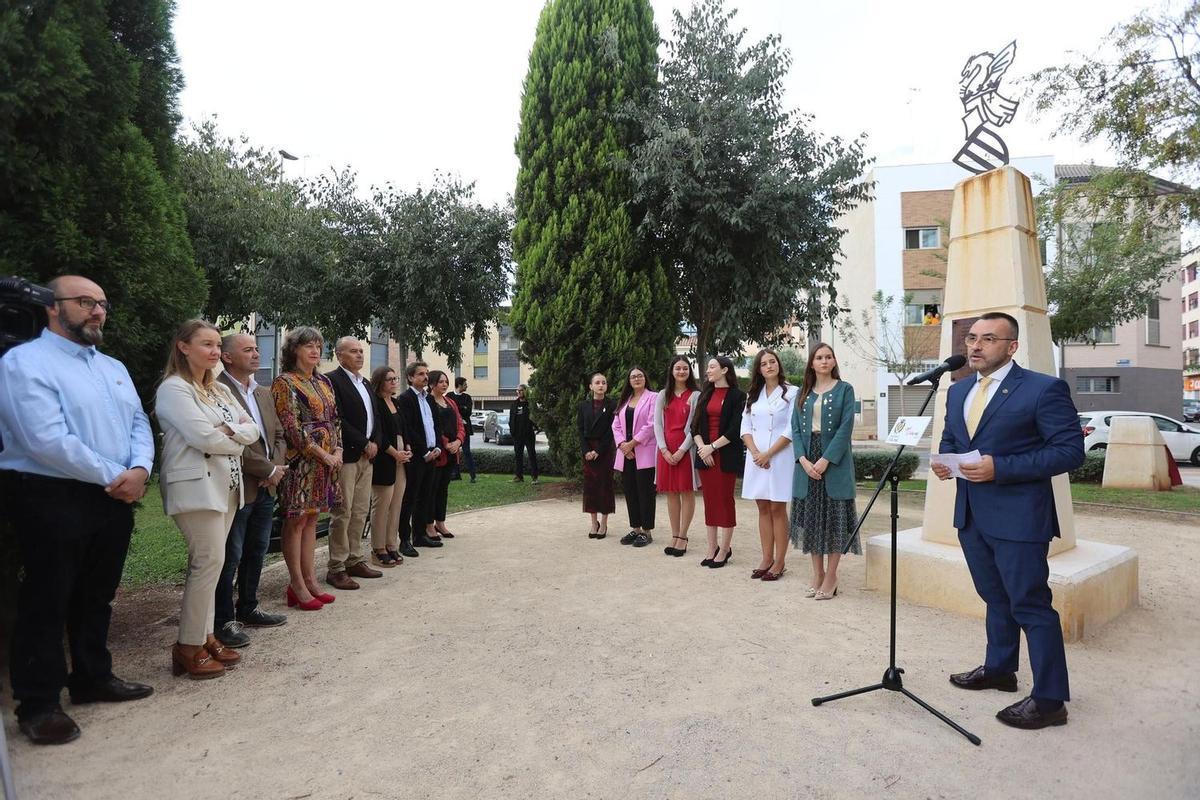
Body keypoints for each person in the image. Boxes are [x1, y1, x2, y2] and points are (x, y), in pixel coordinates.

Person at [0, 275, 154, 745]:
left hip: (113, 495)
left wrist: (142, 468)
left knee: (96, 594)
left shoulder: (113, 367)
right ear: (53, 307)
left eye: (102, 304)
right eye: (85, 302)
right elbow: (44, 439)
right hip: (51, 495)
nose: (98, 311)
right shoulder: (24, 363)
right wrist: (117, 474)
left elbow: (137, 421)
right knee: (47, 598)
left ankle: (91, 677)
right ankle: (39, 703)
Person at [931, 312, 1084, 730]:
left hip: (1020, 518)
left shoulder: (1042, 389)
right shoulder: (958, 390)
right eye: (972, 339)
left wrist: (1002, 467)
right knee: (995, 597)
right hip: (972, 515)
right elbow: (952, 440)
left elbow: (1070, 452)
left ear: (1011, 346)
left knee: (1030, 605)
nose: (975, 346)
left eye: (988, 339)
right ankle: (1000, 669)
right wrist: (947, 463)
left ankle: (1051, 700)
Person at [155, 320, 261, 679]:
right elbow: (201, 437)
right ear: (183, 347)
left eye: (218, 345)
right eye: (207, 345)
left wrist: (229, 431)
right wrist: (235, 437)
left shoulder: (217, 389)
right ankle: (188, 645)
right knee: (207, 562)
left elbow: (253, 427)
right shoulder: (174, 389)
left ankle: (205, 636)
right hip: (195, 486)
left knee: (213, 565)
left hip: (227, 484)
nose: (215, 352)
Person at [213, 333, 289, 650]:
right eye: (248, 350)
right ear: (227, 357)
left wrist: (276, 468)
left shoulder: (263, 392)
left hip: (266, 486)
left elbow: (280, 435)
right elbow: (230, 441)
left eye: (257, 348)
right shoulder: (218, 391)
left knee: (257, 549)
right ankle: (223, 620)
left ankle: (249, 605)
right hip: (238, 486)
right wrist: (268, 470)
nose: (257, 354)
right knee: (231, 554)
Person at [272, 327, 343, 611]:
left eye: (318, 346)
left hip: (327, 460)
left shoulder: (323, 381)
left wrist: (337, 449)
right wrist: (323, 454)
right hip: (300, 461)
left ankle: (311, 581)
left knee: (312, 519)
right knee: (297, 519)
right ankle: (296, 584)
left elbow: (335, 419)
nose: (315, 351)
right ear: (294, 350)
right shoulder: (285, 382)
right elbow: (291, 427)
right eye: (308, 346)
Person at [790, 343, 859, 600]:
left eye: (829, 357)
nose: (824, 361)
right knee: (812, 520)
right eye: (819, 357)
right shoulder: (802, 393)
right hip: (807, 460)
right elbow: (795, 430)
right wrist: (804, 460)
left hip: (835, 461)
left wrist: (826, 459)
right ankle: (817, 573)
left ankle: (831, 576)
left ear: (834, 361)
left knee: (834, 520)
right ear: (811, 363)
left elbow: (845, 427)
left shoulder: (845, 390)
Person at [323, 337, 385, 590]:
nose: (360, 355)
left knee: (360, 511)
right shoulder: (332, 381)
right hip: (348, 455)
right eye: (354, 351)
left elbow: (376, 416)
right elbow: (337, 418)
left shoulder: (366, 382)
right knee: (343, 512)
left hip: (367, 457)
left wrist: (376, 443)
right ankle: (336, 566)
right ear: (339, 355)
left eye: (361, 351)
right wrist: (362, 443)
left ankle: (354, 559)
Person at [741, 349, 796, 582]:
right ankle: (766, 558)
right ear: (759, 369)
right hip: (756, 459)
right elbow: (745, 427)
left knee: (777, 508)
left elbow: (792, 428)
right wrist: (755, 453)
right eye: (764, 363)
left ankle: (780, 561)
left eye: (772, 361)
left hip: (779, 457)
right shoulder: (753, 394)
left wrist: (768, 454)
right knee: (762, 506)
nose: (769, 366)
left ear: (778, 365)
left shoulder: (792, 392)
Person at [691, 356, 745, 569]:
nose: (708, 370)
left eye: (712, 367)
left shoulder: (738, 396)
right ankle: (711, 547)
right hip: (705, 455)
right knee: (710, 502)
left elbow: (735, 429)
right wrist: (703, 448)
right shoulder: (705, 394)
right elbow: (694, 427)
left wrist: (712, 447)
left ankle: (724, 549)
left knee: (724, 501)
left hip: (724, 455)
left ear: (724, 370)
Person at [654, 356, 699, 557]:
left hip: (685, 450)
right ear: (671, 371)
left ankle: (683, 535)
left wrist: (682, 450)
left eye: (685, 368)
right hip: (665, 449)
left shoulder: (696, 395)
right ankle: (674, 534)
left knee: (686, 491)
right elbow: (657, 424)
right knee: (671, 492)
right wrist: (664, 450)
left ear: (689, 371)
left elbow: (694, 426)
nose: (681, 371)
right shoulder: (663, 395)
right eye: (678, 368)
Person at [397, 360, 443, 553]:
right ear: (410, 377)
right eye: (421, 374)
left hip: (432, 454)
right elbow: (409, 428)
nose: (425, 377)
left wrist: (438, 448)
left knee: (426, 496)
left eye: (426, 373)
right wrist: (423, 451)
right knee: (410, 497)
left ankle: (420, 535)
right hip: (417, 456)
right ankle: (404, 539)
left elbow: (435, 425)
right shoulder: (405, 399)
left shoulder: (429, 399)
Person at [368, 366, 411, 567]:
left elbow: (404, 428)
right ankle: (378, 548)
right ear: (380, 381)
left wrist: (408, 448)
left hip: (402, 457)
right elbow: (379, 433)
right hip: (385, 457)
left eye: (396, 378)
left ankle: (392, 545)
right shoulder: (374, 403)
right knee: (382, 504)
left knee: (396, 504)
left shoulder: (395, 402)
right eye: (390, 379)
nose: (394, 382)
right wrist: (395, 453)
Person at [612, 367, 658, 547]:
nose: (637, 378)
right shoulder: (625, 401)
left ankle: (647, 531)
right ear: (629, 381)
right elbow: (615, 425)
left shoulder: (653, 398)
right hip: (626, 455)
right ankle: (636, 529)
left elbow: (652, 424)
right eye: (633, 376)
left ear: (645, 378)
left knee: (645, 493)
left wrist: (633, 443)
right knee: (630, 492)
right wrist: (623, 445)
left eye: (640, 376)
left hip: (644, 451)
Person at [427, 370, 465, 541]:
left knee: (443, 489)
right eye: (441, 381)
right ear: (432, 384)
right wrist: (445, 443)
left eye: (446, 381)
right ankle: (428, 525)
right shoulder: (428, 402)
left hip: (452, 453)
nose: (444, 384)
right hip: (437, 453)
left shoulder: (450, 401)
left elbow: (460, 423)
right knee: (431, 489)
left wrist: (458, 441)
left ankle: (440, 523)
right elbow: (433, 427)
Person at [578, 372, 616, 538]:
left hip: (604, 450)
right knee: (591, 487)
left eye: (604, 382)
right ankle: (594, 522)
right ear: (591, 386)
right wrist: (586, 450)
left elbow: (611, 431)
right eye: (597, 382)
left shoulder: (613, 405)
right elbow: (580, 431)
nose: (601, 385)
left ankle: (604, 523)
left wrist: (598, 451)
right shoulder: (583, 406)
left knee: (605, 486)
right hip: (588, 450)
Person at [510, 384, 539, 484]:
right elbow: (511, 419)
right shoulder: (514, 404)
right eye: (517, 391)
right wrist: (512, 430)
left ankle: (535, 477)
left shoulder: (530, 404)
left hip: (528, 434)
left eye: (521, 390)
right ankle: (519, 476)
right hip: (517, 435)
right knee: (518, 455)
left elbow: (535, 417)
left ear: (525, 391)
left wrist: (536, 427)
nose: (519, 392)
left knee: (531, 455)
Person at [450, 377, 477, 483]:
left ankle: (473, 475)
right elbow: (449, 411)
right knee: (454, 451)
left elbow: (468, 412)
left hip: (465, 429)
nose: (467, 386)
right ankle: (455, 474)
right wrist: (462, 408)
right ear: (459, 385)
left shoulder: (467, 397)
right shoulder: (449, 396)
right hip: (452, 429)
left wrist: (457, 408)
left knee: (466, 451)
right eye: (465, 384)